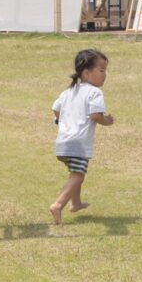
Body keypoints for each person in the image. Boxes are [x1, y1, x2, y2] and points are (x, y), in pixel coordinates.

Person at [50, 48, 113, 224]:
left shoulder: (68, 91)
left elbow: (56, 109)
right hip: (78, 144)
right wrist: (107, 121)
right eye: (101, 70)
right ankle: (58, 204)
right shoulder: (94, 92)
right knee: (78, 175)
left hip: (62, 143)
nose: (105, 75)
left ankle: (76, 203)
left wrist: (60, 121)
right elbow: (96, 115)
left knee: (75, 172)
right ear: (86, 73)